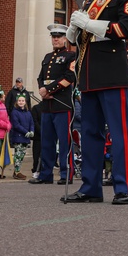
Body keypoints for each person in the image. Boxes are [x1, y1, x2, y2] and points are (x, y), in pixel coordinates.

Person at [63, 0, 128, 205]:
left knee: (118, 133)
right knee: (90, 134)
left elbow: (125, 30)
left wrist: (91, 24)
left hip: (111, 70)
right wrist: (74, 28)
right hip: (88, 72)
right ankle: (91, 187)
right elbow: (75, 40)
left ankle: (123, 187)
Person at [29, 24, 77, 185]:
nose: (55, 39)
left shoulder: (70, 56)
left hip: (62, 104)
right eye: (53, 36)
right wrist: (42, 89)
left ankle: (66, 174)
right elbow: (40, 77)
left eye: (59, 37)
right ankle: (45, 174)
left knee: (65, 142)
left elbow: (70, 76)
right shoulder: (47, 57)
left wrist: (49, 90)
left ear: (65, 39)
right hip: (47, 106)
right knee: (47, 141)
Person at [10, 94, 35, 179]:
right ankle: (17, 171)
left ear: (25, 102)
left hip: (26, 137)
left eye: (23, 101)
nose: (21, 102)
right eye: (19, 101)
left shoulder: (28, 112)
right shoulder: (14, 112)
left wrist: (32, 131)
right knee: (18, 154)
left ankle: (17, 170)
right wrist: (26, 132)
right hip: (18, 136)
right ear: (16, 102)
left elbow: (32, 122)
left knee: (22, 155)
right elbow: (16, 125)